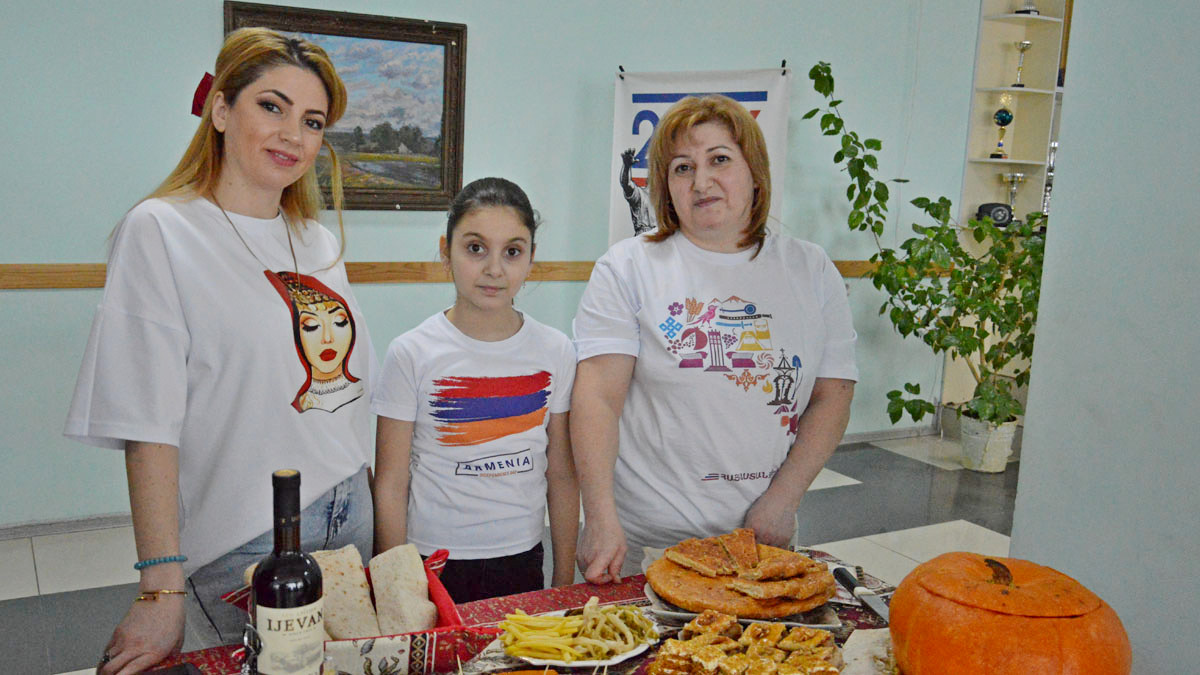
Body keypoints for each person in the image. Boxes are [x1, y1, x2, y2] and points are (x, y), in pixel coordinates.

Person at [64, 28, 374, 672]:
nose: (293, 134)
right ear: (222, 109)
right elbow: (146, 423)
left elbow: (338, 395)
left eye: (312, 121)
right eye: (272, 106)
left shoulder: (316, 240)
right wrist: (159, 587)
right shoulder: (161, 229)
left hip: (351, 517)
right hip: (247, 537)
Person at [571, 95, 858, 583]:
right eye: (682, 168)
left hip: (762, 537)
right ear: (666, 187)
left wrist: (783, 500)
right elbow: (597, 397)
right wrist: (598, 517)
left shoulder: (810, 269)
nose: (701, 182)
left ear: (755, 172)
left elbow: (834, 395)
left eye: (719, 159)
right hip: (644, 543)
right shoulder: (628, 267)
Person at [372, 177, 579, 603]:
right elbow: (391, 481)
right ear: (445, 251)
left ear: (531, 258)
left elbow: (560, 473)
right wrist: (396, 589)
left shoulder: (556, 349)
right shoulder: (411, 352)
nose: (494, 269)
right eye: (475, 248)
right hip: (434, 559)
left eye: (512, 252)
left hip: (522, 556)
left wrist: (563, 578)